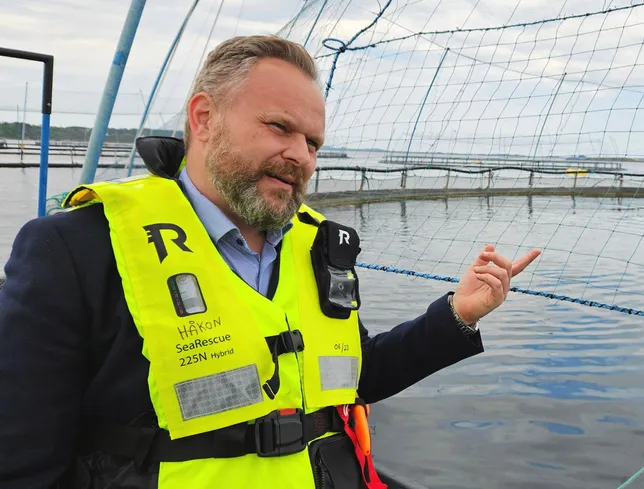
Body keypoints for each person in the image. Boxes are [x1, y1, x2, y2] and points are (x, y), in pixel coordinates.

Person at [0, 35, 540, 489]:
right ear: (205, 117)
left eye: (313, 143)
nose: (302, 156)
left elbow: (354, 376)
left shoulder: (319, 250)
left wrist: (457, 315)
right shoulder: (75, 250)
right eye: (280, 128)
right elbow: (21, 459)